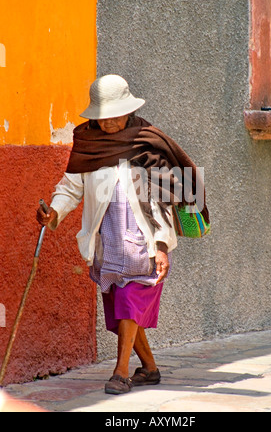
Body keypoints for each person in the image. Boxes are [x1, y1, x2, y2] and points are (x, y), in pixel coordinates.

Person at [37, 74, 209, 395]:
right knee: (120, 313)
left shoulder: (145, 143)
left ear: (128, 111)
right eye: (103, 117)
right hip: (108, 245)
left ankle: (121, 372)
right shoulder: (89, 146)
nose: (110, 122)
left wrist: (160, 246)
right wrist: (55, 212)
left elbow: (160, 198)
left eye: (116, 115)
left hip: (144, 243)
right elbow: (71, 188)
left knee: (130, 303)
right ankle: (151, 369)